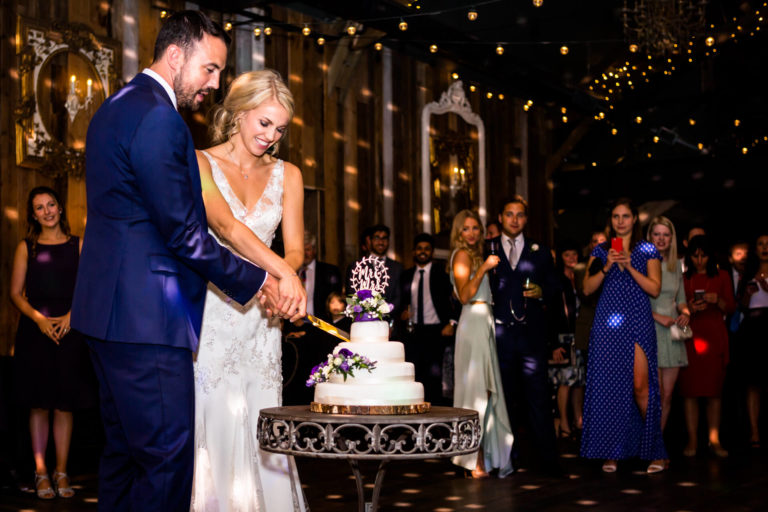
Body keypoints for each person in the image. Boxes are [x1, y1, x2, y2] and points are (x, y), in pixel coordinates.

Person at [71, 12, 303, 512]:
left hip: (105, 315)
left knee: (123, 459)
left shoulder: (115, 105)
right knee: (167, 461)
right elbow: (184, 233)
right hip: (147, 320)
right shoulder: (160, 118)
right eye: (210, 69)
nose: (214, 84)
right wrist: (261, 280)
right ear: (175, 55)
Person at [192, 69, 307, 511]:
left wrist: (281, 279)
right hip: (214, 313)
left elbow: (294, 249)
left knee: (263, 418)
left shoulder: (289, 175)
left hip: (264, 318)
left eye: (279, 128)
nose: (270, 136)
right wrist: (275, 276)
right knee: (216, 416)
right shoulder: (200, 163)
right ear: (239, 113)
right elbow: (225, 226)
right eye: (263, 123)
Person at [10, 187, 97, 499]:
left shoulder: (79, 245)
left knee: (65, 403)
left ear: (60, 208)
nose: (47, 211)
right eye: (39, 208)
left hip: (71, 331)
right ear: (33, 215)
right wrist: (40, 320)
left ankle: (62, 471)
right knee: (39, 403)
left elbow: (90, 288)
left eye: (50, 205)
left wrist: (74, 314)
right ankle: (41, 473)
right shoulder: (27, 247)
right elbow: (15, 294)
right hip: (36, 332)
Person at [580, 198, 667, 474]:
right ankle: (612, 451)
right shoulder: (600, 250)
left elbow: (654, 289)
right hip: (607, 325)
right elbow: (586, 289)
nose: (620, 221)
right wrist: (606, 266)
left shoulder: (647, 249)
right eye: (616, 216)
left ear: (634, 220)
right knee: (610, 388)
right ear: (611, 221)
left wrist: (629, 265)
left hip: (638, 321)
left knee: (641, 387)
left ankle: (657, 452)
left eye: (625, 216)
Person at [488, 196, 561, 474]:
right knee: (505, 398)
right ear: (500, 217)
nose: (515, 219)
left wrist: (543, 291)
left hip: (531, 336)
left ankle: (546, 461)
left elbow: (555, 286)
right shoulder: (488, 249)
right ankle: (507, 458)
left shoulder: (540, 250)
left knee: (538, 398)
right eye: (509, 214)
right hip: (500, 336)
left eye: (520, 215)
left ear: (526, 220)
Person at [450, 210, 514, 478]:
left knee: (487, 392)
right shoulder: (462, 256)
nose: (473, 233)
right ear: (458, 232)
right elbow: (464, 295)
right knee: (476, 392)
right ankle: (471, 459)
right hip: (473, 320)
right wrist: (485, 269)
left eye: (476, 228)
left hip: (484, 322)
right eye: (467, 229)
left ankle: (485, 456)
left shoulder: (476, 255)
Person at [679, 235, 735, 458]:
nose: (699, 260)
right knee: (690, 392)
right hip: (691, 336)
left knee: (714, 392)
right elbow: (675, 309)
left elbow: (730, 307)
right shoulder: (684, 279)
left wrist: (716, 300)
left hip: (714, 336)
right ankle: (692, 439)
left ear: (711, 255)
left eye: (703, 255)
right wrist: (689, 308)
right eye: (695, 255)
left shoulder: (721, 276)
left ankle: (714, 439)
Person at [400, 233, 456, 405]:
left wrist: (452, 322)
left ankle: (437, 419)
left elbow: (455, 300)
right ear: (413, 252)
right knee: (415, 377)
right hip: (414, 332)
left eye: (426, 249)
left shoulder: (442, 274)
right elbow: (400, 303)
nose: (422, 252)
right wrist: (401, 315)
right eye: (419, 249)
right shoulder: (406, 276)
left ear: (431, 252)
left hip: (437, 331)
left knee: (436, 377)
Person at [646, 217, 691, 431]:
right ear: (650, 237)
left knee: (667, 395)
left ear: (671, 238)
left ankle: (657, 443)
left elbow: (681, 298)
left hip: (672, 335)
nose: (661, 239)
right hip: (649, 331)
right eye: (657, 234)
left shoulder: (676, 266)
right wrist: (657, 316)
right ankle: (647, 441)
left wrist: (685, 313)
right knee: (651, 394)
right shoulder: (642, 264)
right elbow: (635, 304)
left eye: (665, 234)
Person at [548, 243, 585, 439]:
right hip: (563, 337)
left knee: (579, 380)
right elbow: (551, 314)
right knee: (565, 380)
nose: (571, 257)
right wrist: (554, 344)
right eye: (567, 254)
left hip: (581, 336)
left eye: (574, 253)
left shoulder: (582, 278)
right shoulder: (556, 280)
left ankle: (578, 419)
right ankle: (563, 422)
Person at [735, 234, 768, 450]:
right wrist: (748, 293)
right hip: (753, 329)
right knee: (753, 381)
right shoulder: (747, 273)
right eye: (761, 244)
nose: (765, 247)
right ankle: (754, 431)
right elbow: (741, 306)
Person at [346, 224, 402, 313]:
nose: (381, 242)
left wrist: (385, 311)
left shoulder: (397, 267)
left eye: (384, 238)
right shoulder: (357, 266)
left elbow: (399, 297)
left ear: (388, 241)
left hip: (390, 321)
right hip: (364, 320)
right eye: (377, 238)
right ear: (370, 240)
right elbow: (351, 295)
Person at [300, 231, 342, 321]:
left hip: (321, 325)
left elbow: (336, 300)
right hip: (294, 325)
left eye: (307, 250)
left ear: (314, 250)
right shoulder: (291, 271)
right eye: (301, 250)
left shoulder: (329, 271)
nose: (304, 254)